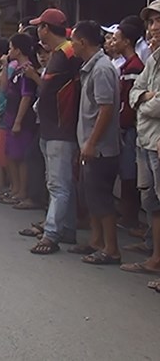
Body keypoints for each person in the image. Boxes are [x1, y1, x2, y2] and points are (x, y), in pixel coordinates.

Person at [25, 8, 82, 255]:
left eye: (40, 26)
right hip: (52, 126)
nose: (38, 30)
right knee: (59, 182)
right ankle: (65, 227)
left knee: (58, 184)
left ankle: (52, 233)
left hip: (61, 126)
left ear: (46, 29)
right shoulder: (60, 53)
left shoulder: (67, 52)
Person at [64, 20, 121, 265]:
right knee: (92, 196)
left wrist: (91, 143)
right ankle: (96, 241)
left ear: (83, 42)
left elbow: (106, 109)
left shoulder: (101, 69)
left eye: (74, 41)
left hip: (101, 149)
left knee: (101, 198)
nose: (72, 46)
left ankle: (111, 249)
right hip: (91, 145)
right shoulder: (92, 66)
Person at [123, 0, 160, 283]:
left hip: (155, 141)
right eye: (150, 22)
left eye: (158, 21)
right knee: (150, 200)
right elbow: (134, 93)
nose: (153, 28)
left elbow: (155, 104)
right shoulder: (152, 59)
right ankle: (153, 250)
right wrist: (142, 98)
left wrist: (143, 100)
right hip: (146, 139)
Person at [111, 20, 144, 233]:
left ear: (127, 41)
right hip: (123, 127)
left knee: (129, 173)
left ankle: (130, 216)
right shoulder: (125, 66)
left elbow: (130, 103)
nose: (113, 42)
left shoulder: (134, 67)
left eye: (117, 38)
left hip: (129, 128)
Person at [0, 34, 38, 206]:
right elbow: (4, 87)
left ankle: (22, 190)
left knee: (20, 156)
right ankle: (14, 188)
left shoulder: (28, 71)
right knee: (10, 154)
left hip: (21, 119)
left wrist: (18, 121)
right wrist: (4, 66)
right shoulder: (16, 69)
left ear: (18, 49)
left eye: (11, 48)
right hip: (10, 114)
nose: (9, 51)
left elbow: (26, 97)